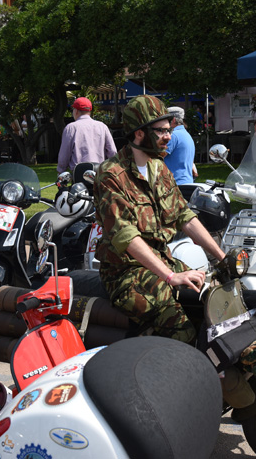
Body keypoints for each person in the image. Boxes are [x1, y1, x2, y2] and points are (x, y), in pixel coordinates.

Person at [93, 95, 226, 345]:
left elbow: (184, 217)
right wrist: (169, 277)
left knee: (212, 308)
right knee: (182, 329)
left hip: (162, 262)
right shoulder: (111, 174)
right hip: (125, 273)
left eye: (170, 130)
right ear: (139, 133)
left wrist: (222, 257)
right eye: (162, 131)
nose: (169, 137)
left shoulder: (159, 168)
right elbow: (125, 236)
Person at [56, 97, 116, 173]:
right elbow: (112, 152)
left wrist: (60, 171)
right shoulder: (102, 127)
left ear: (76, 111)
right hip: (99, 173)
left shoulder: (71, 128)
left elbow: (64, 155)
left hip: (79, 173)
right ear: (89, 111)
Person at [163, 106, 197, 184]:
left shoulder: (173, 136)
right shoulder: (187, 135)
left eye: (166, 120)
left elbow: (157, 157)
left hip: (175, 184)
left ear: (173, 120)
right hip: (187, 182)